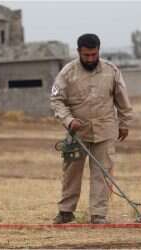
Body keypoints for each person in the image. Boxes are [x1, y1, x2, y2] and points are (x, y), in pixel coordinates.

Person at [50, 33, 132, 224]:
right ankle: (66, 212)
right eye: (86, 55)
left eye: (93, 54)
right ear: (79, 52)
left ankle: (98, 215)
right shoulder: (67, 73)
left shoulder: (111, 70)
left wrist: (124, 123)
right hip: (77, 133)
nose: (90, 59)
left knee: (102, 173)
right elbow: (56, 100)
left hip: (105, 131)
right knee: (71, 173)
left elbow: (122, 100)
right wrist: (69, 120)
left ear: (98, 51)